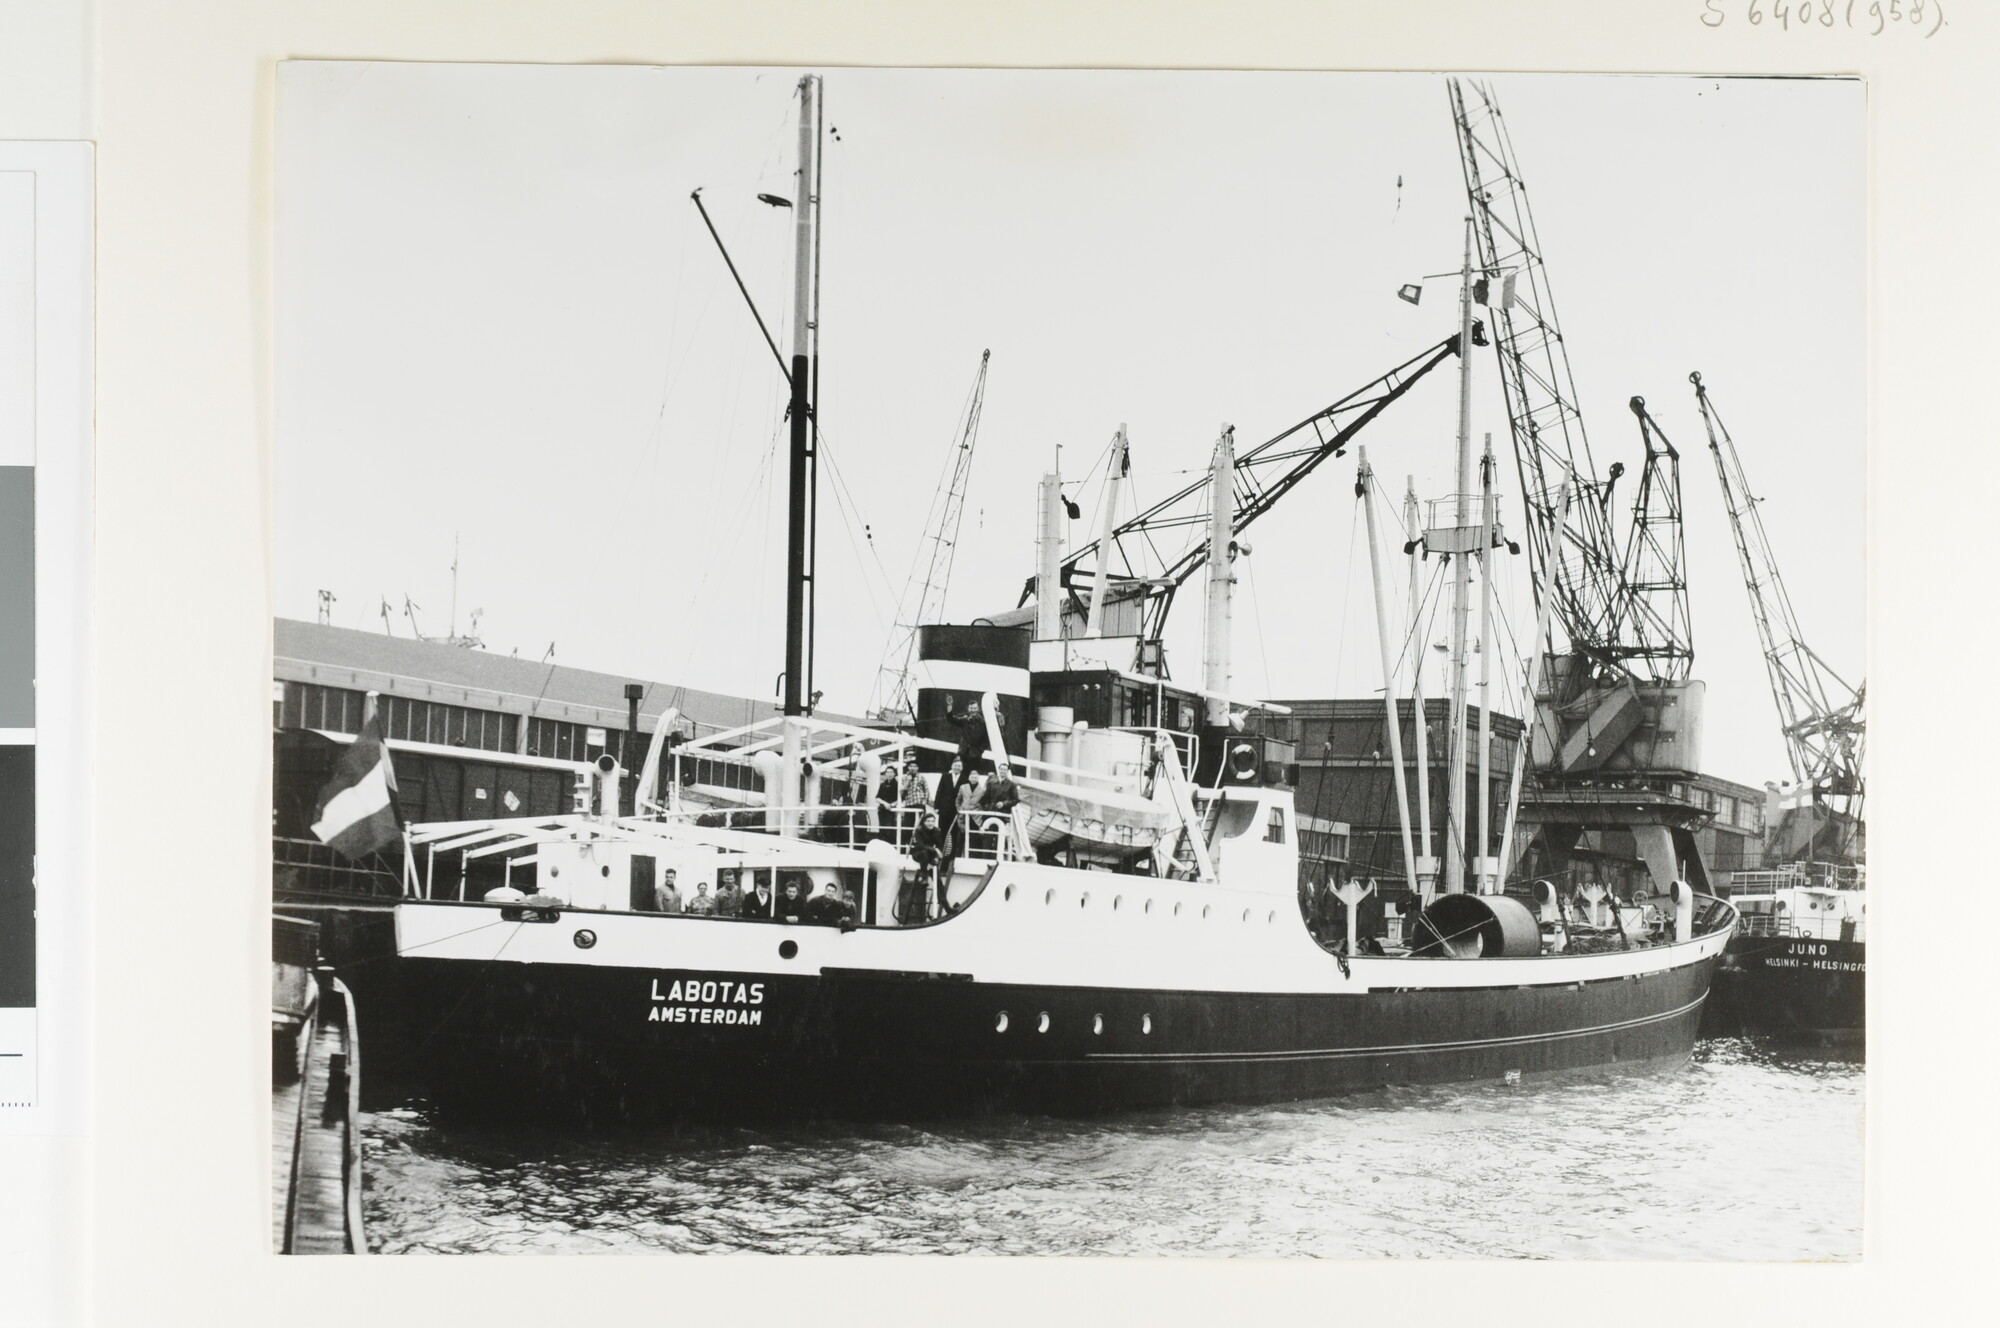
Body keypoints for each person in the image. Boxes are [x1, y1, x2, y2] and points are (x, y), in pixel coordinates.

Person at [906, 810, 946, 922]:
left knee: (938, 881)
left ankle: (945, 904)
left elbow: (940, 846)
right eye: (928, 821)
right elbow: (919, 845)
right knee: (923, 853)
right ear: (923, 822)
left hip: (929, 855)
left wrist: (937, 857)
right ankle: (923, 876)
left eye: (932, 821)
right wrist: (934, 850)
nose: (930, 823)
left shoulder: (937, 831)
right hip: (918, 854)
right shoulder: (918, 831)